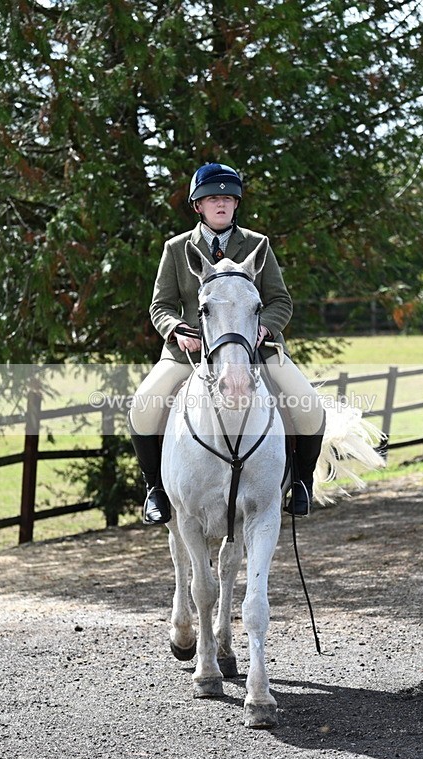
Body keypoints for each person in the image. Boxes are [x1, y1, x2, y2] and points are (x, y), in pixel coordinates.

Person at [129, 162, 325, 524]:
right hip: (189, 353)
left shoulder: (257, 245)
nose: (220, 204)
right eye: (211, 198)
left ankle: (300, 482)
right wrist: (176, 330)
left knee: (309, 406)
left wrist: (263, 329)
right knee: (143, 406)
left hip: (255, 349)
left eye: (227, 198)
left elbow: (280, 301)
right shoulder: (176, 249)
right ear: (198, 206)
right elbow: (161, 305)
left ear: (236, 204)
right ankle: (155, 487)